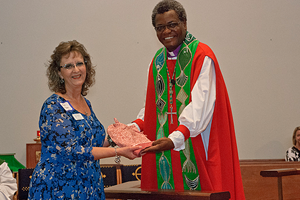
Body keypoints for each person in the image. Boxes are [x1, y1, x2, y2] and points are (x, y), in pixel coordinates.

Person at [128, 0, 245, 199]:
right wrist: (135, 126)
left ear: (184, 24)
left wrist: (176, 138)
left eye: (172, 24)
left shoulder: (202, 55)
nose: (166, 31)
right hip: (167, 149)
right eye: (160, 27)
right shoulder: (157, 61)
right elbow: (156, 105)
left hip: (197, 143)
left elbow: (201, 106)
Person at [28, 40, 141, 199]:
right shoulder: (53, 106)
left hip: (89, 187)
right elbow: (74, 151)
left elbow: (95, 145)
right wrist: (118, 151)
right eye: (68, 66)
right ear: (59, 73)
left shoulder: (86, 103)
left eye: (79, 63)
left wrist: (118, 136)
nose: (76, 70)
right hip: (59, 190)